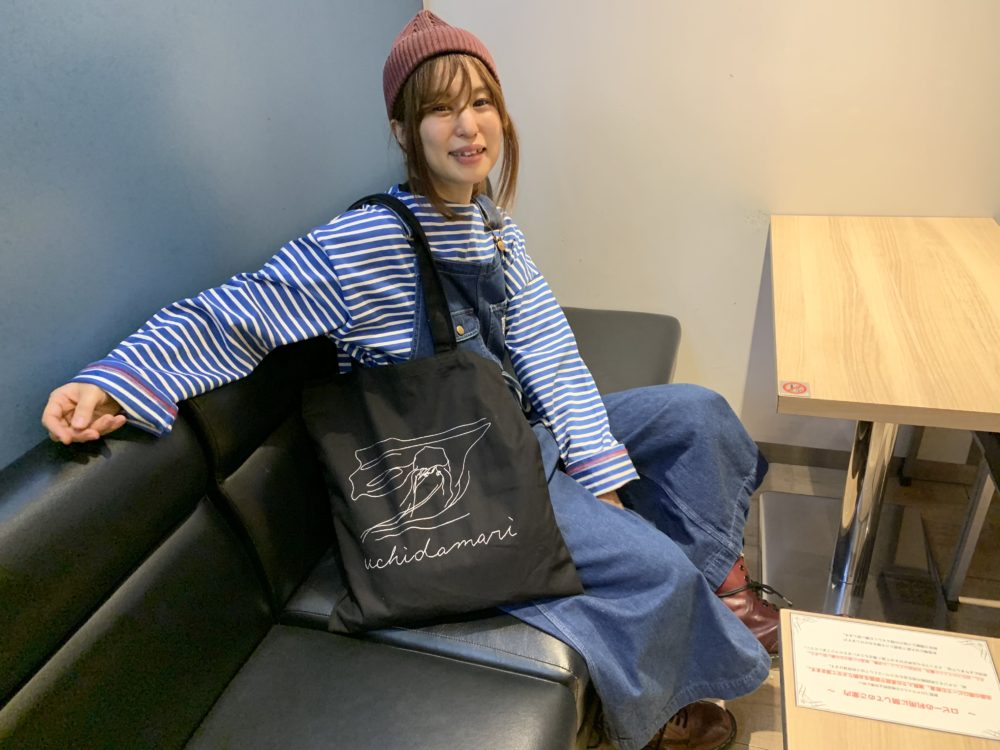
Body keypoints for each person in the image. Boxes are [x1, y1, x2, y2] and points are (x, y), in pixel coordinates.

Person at [41, 10, 781, 750]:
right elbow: (236, 312)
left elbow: (549, 351)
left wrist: (599, 470)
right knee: (651, 568)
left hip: (518, 432)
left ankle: (723, 595)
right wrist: (113, 382)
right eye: (440, 108)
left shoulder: (489, 223)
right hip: (458, 473)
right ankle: (656, 707)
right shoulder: (368, 240)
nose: (469, 126)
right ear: (402, 129)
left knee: (698, 415)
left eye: (482, 102)